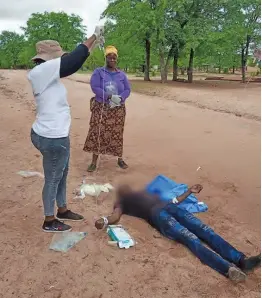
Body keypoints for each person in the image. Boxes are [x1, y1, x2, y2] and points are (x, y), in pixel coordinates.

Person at [95, 184, 261, 282]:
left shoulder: (145, 193)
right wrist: (104, 220)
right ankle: (227, 269)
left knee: (205, 230)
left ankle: (242, 260)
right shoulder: (121, 201)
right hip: (158, 216)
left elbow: (171, 201)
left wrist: (189, 191)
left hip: (170, 207)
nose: (126, 187)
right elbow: (116, 215)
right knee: (191, 238)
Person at [28, 26, 104, 232]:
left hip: (57, 135)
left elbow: (73, 60)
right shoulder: (40, 71)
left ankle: (62, 209)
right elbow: (71, 63)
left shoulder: (48, 74)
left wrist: (91, 46)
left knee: (61, 173)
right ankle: (49, 220)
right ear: (48, 58)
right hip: (51, 137)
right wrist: (93, 37)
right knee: (53, 177)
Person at [83, 45, 131, 172]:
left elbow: (128, 89)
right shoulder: (98, 72)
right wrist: (109, 96)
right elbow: (95, 88)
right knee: (98, 132)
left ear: (117, 59)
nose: (112, 59)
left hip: (118, 108)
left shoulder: (121, 74)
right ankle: (94, 161)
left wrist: (121, 98)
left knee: (117, 133)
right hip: (102, 107)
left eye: (114, 57)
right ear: (106, 58)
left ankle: (120, 159)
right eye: (109, 57)